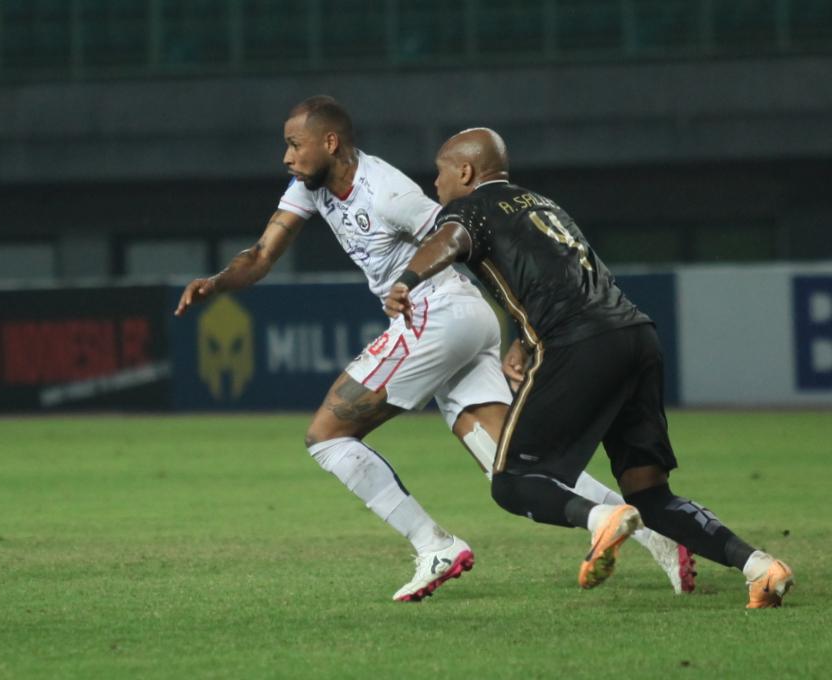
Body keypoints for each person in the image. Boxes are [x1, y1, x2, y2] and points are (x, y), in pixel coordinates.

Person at [175, 96, 693, 601]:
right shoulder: (309, 187)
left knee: (327, 435)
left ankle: (435, 545)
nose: (287, 157)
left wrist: (524, 330)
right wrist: (218, 281)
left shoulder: (386, 191)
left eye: (294, 145)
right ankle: (655, 532)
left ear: (329, 142)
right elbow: (263, 255)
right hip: (461, 321)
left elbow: (467, 242)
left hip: (437, 312)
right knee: (509, 462)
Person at [384, 127, 794, 608]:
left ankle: (602, 519)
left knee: (513, 481)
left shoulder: (468, 208)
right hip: (635, 334)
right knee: (651, 495)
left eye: (441, 172)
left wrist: (408, 278)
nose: (435, 183)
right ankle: (761, 568)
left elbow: (450, 239)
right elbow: (558, 274)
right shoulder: (542, 203)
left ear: (467, 172)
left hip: (579, 343)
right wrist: (521, 336)